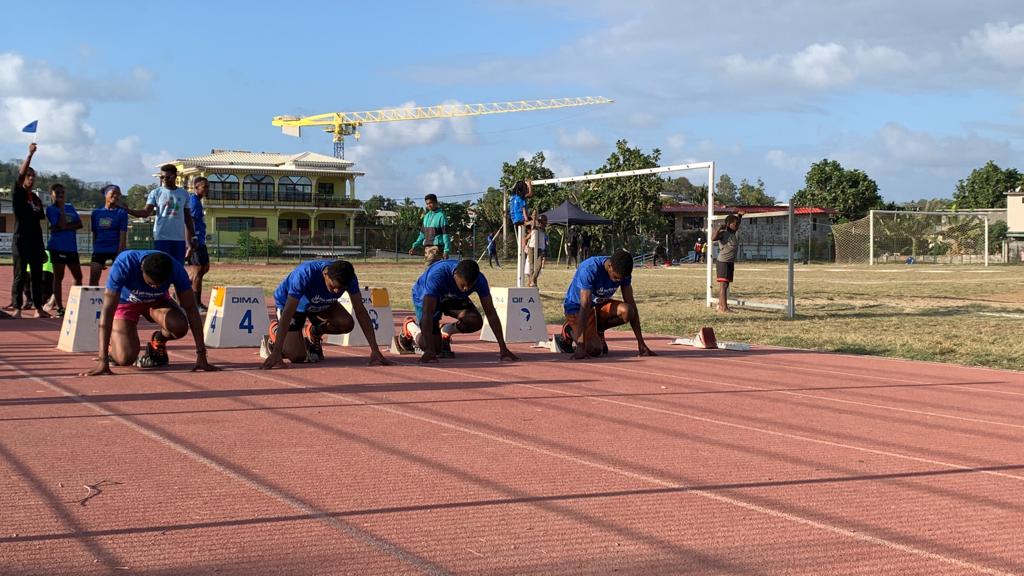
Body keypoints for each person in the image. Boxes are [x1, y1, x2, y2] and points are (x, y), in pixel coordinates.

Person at [84, 250, 217, 375]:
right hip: (126, 304)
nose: (155, 287)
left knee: (180, 327)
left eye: (160, 284)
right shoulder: (123, 265)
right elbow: (107, 311)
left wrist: (201, 355)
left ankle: (158, 340)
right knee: (125, 359)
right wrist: (103, 361)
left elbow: (192, 310)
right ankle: (114, 346)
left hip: (157, 302)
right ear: (141, 270)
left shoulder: (175, 269)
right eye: (151, 283)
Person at [262, 260, 392, 368]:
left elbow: (360, 310)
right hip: (292, 306)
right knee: (297, 357)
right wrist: (277, 352)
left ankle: (314, 332)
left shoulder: (349, 278)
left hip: (321, 304)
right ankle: (275, 332)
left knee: (347, 323)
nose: (336, 291)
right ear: (325, 274)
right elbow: (288, 311)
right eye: (332, 287)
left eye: (341, 288)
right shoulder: (305, 273)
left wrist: (375, 350)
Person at [399, 259, 518, 363]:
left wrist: (503, 347)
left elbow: (490, 312)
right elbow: (428, 313)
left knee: (475, 321)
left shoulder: (480, 280)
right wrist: (430, 351)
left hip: (451, 297)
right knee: (434, 348)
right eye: (463, 285)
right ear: (455, 275)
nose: (466, 289)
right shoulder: (437, 276)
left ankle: (446, 330)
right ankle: (410, 327)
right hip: (425, 297)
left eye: (470, 286)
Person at [556, 249, 656, 359]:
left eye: (621, 279)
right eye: (616, 277)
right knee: (595, 350)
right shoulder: (589, 269)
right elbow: (585, 306)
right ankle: (568, 331)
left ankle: (598, 329)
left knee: (628, 311)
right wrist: (580, 345)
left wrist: (641, 343)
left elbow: (631, 302)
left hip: (598, 306)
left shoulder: (623, 272)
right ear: (610, 266)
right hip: (577, 307)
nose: (618, 281)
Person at [8, 143, 49, 318]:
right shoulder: (18, 194)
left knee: (37, 276)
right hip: (21, 240)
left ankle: (38, 308)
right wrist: (30, 155)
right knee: (20, 276)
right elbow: (20, 174)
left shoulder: (37, 199)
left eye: (33, 176)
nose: (31, 178)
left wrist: (41, 245)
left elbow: (39, 220)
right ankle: (17, 308)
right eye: (29, 175)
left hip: (35, 241)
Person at [125, 164, 194, 264]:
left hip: (179, 238)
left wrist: (193, 238)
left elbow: (188, 218)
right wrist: (128, 210)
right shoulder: (156, 192)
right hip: (161, 237)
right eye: (161, 177)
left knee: (178, 268)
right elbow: (145, 213)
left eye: (167, 177)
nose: (164, 179)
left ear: (175, 176)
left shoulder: (184, 194)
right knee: (162, 267)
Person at [44, 184, 83, 317]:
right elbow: (60, 225)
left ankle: (75, 303)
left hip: (71, 247)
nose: (60, 195)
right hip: (58, 247)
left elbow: (79, 224)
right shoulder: (51, 209)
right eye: (57, 193)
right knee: (58, 277)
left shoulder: (70, 207)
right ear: (52, 195)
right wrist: (61, 209)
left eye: (62, 192)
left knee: (78, 276)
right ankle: (60, 307)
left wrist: (66, 226)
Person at [89, 185, 129, 285]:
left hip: (115, 250)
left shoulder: (121, 213)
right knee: (93, 279)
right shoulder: (96, 213)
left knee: (118, 280)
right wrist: (95, 249)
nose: (115, 196)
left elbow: (123, 234)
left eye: (118, 194)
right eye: (113, 193)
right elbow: (95, 233)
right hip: (99, 250)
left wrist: (120, 253)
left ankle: (119, 300)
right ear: (106, 194)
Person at [187, 177, 211, 311]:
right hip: (195, 241)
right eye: (204, 187)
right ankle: (196, 303)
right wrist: (192, 240)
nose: (207, 189)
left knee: (205, 268)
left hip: (200, 239)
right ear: (196, 188)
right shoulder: (194, 202)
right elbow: (190, 221)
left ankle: (181, 289)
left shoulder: (198, 202)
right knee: (197, 271)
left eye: (207, 187)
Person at [408, 193, 451, 269]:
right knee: (435, 271)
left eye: (431, 203)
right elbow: (422, 234)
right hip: (427, 248)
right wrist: (414, 246)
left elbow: (446, 234)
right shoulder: (426, 216)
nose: (429, 205)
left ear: (436, 203)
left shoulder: (441, 216)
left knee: (429, 269)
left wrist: (446, 250)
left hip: (436, 248)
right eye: (427, 204)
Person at [712, 214, 742, 313]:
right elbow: (713, 238)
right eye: (735, 224)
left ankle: (720, 304)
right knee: (723, 285)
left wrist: (740, 216)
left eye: (738, 224)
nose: (737, 226)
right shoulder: (723, 234)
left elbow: (737, 222)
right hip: (723, 262)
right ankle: (723, 308)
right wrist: (719, 227)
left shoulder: (734, 233)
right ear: (729, 224)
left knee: (726, 285)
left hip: (730, 262)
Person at [526, 214, 548, 287]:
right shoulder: (535, 227)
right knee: (531, 265)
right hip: (531, 247)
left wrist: (536, 221)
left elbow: (540, 227)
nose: (546, 222)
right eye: (544, 220)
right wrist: (534, 219)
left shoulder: (542, 228)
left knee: (539, 265)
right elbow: (529, 224)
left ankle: (533, 280)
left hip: (540, 248)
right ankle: (533, 283)